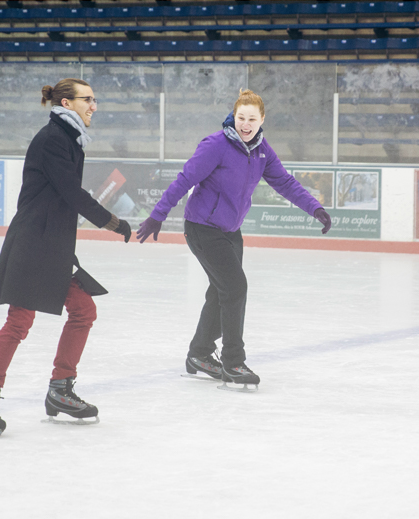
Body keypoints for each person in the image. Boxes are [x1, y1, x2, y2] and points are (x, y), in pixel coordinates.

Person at [0, 79, 132, 436]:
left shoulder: (67, 137)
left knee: (83, 310)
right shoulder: (54, 139)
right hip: (34, 243)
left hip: (51, 242)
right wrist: (113, 223)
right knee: (19, 321)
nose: (94, 105)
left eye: (95, 99)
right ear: (67, 103)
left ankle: (60, 390)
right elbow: (71, 192)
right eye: (88, 99)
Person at [136, 89, 331, 391]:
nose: (246, 124)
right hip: (202, 228)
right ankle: (233, 360)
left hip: (230, 231)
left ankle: (199, 354)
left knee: (221, 291)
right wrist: (158, 214)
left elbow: (284, 182)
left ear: (262, 119)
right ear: (234, 116)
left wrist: (314, 207)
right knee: (235, 287)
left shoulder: (262, 149)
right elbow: (185, 178)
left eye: (252, 119)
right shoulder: (217, 145)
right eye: (241, 118)